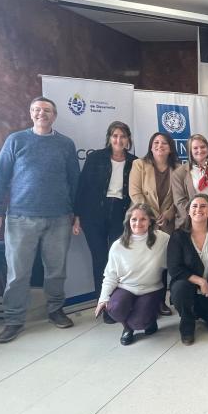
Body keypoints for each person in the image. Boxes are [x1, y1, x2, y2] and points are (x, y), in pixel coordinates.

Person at [0, 97, 79, 343]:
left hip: (59, 217)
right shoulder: (16, 140)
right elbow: (0, 177)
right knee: (18, 273)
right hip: (21, 217)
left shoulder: (65, 144)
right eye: (37, 110)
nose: (42, 114)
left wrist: (75, 213)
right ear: (31, 113)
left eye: (47, 110)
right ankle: (13, 320)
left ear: (55, 115)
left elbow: (74, 180)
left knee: (56, 270)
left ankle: (55, 310)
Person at [74, 121, 137, 307]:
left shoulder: (135, 162)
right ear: (109, 138)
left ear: (128, 139)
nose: (119, 139)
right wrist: (77, 215)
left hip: (121, 214)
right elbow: (82, 187)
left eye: (123, 136)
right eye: (115, 135)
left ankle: (118, 302)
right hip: (94, 215)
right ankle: (103, 302)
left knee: (118, 259)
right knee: (100, 259)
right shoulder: (95, 158)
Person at [95, 203, 169, 346]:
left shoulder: (163, 239)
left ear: (150, 221)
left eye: (143, 219)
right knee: (113, 308)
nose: (138, 223)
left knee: (138, 322)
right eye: (134, 219)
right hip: (126, 288)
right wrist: (103, 298)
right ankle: (127, 328)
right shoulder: (118, 245)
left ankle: (147, 319)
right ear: (128, 221)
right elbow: (110, 275)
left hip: (151, 289)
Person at [167, 194, 208, 345]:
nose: (198, 209)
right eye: (194, 206)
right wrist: (200, 281)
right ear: (188, 211)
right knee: (181, 287)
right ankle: (187, 323)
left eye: (203, 206)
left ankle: (199, 310)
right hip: (187, 288)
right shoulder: (178, 236)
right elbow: (174, 268)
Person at [129, 131, 180, 316]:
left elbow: (181, 197)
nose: (160, 146)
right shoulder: (139, 165)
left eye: (164, 143)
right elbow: (135, 193)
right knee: (145, 262)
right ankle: (140, 301)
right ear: (151, 146)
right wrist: (148, 214)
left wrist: (169, 213)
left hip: (168, 222)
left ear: (170, 148)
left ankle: (160, 302)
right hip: (143, 222)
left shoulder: (178, 168)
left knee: (163, 262)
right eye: (156, 142)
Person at [172, 133, 208, 229]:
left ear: (207, 148)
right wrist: (195, 218)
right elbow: (179, 201)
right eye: (195, 148)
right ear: (190, 151)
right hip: (189, 223)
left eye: (203, 147)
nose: (200, 150)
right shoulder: (179, 173)